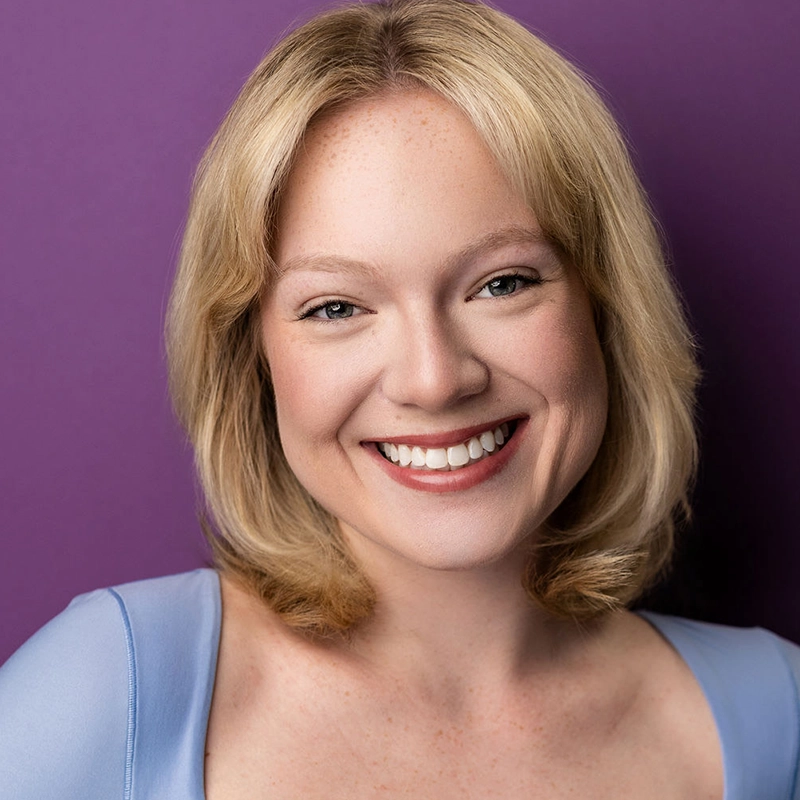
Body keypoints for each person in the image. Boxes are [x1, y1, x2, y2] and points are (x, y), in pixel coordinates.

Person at [1, 0, 798, 797]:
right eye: (336, 308)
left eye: (502, 283)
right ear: (254, 360)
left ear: (608, 311)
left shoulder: (777, 721)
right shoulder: (107, 697)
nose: (434, 379)